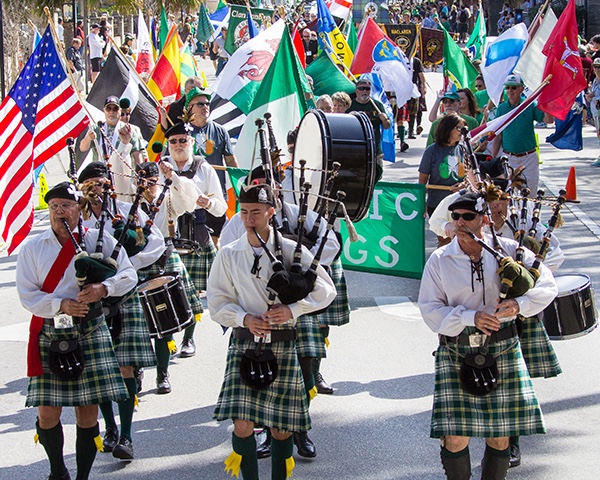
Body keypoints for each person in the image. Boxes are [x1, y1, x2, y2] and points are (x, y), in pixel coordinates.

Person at [418, 190, 558, 480]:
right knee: (455, 437)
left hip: (502, 347)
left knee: (500, 435)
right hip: (457, 349)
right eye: (455, 217)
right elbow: (430, 310)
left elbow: (547, 285)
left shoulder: (508, 251)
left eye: (467, 216)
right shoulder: (440, 260)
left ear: (483, 219)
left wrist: (519, 305)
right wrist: (471, 317)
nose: (459, 222)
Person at [208, 182, 336, 480]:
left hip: (282, 342)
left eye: (256, 212)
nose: (249, 218)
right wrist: (243, 318)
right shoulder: (228, 254)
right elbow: (216, 302)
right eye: (244, 212)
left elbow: (325, 291)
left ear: (271, 211)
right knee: (242, 423)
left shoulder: (292, 250)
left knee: (281, 429)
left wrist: (292, 310)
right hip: (245, 342)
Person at [16, 182, 137, 480]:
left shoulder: (99, 239)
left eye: (66, 205)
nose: (60, 211)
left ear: (78, 209)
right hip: (51, 331)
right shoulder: (33, 248)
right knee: (47, 413)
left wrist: (102, 288)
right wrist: (61, 304)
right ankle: (57, 470)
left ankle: (82, 476)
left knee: (87, 412)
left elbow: (128, 274)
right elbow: (27, 296)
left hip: (90, 329)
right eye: (54, 206)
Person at [78, 163, 159, 460]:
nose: (99, 189)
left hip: (123, 294)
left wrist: (122, 269)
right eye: (92, 184)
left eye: (102, 183)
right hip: (92, 302)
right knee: (100, 369)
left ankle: (126, 435)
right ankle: (109, 427)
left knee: (124, 366)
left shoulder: (128, 210)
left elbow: (156, 243)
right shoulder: (79, 220)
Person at [135, 157, 205, 393]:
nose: (147, 186)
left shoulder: (168, 197)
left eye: (152, 181)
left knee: (181, 312)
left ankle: (167, 369)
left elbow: (191, 201)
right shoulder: (129, 203)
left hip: (166, 253)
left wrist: (172, 177)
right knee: (142, 323)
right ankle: (139, 369)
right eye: (142, 181)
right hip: (138, 260)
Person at [161, 121, 227, 356]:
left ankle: (189, 339)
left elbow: (221, 208)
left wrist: (208, 203)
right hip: (167, 236)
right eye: (173, 141)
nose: (178, 145)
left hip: (196, 236)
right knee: (164, 291)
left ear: (191, 142)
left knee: (193, 292)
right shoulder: (160, 168)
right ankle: (165, 339)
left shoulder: (203, 168)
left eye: (183, 140)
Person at [185, 87, 238, 245]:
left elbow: (230, 161)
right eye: (200, 104)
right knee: (190, 241)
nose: (205, 106)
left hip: (215, 196)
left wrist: (238, 186)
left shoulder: (220, 131)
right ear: (190, 108)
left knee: (214, 242)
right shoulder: (182, 133)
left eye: (207, 103)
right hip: (190, 196)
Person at [491, 74, 553, 193]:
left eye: (514, 88)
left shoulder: (529, 105)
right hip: (508, 157)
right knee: (509, 194)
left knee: (530, 193)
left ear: (521, 89)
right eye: (508, 87)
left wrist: (547, 103)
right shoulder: (502, 108)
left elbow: (548, 120)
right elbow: (498, 134)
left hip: (528, 157)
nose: (510, 91)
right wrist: (494, 158)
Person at [419, 112, 467, 233]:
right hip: (437, 204)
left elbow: (469, 176)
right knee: (445, 238)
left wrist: (463, 185)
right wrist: (421, 202)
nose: (462, 132)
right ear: (448, 129)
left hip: (460, 204)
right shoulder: (431, 151)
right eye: (459, 128)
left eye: (464, 128)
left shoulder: (463, 150)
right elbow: (422, 180)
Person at [79, 96, 148, 176]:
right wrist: (88, 137)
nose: (111, 112)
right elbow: (82, 148)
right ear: (104, 110)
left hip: (122, 176)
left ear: (120, 111)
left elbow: (137, 156)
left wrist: (139, 177)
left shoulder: (128, 130)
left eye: (115, 109)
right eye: (108, 108)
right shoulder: (97, 128)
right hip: (100, 175)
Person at [347, 78, 392, 177]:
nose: (364, 91)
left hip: (375, 149)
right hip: (357, 150)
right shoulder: (350, 105)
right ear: (356, 90)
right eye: (361, 88)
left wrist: (385, 120)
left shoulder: (377, 105)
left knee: (377, 176)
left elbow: (387, 126)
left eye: (367, 89)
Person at [586, 57, 600, 165]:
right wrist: (590, 96)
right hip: (595, 111)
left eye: (599, 67)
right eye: (595, 67)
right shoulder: (595, 81)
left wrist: (595, 98)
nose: (597, 69)